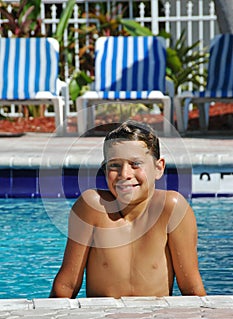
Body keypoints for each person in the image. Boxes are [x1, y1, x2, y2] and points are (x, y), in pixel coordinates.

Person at [50, 120, 206, 298]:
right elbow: (67, 285)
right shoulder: (93, 207)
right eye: (114, 165)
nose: (125, 174)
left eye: (135, 164)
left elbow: (191, 288)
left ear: (158, 168)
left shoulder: (171, 209)